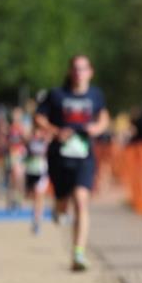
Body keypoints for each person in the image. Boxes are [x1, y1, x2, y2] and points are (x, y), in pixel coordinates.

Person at [34, 55, 110, 270]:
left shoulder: (96, 95)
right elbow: (38, 118)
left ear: (90, 72)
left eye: (83, 68)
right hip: (59, 155)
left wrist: (98, 128)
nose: (79, 72)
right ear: (70, 72)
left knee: (81, 199)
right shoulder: (56, 95)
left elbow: (104, 117)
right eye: (75, 68)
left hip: (84, 155)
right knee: (62, 202)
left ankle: (78, 253)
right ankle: (58, 208)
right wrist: (56, 131)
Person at [6, 107, 28, 210]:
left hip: (21, 154)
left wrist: (23, 135)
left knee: (20, 178)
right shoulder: (10, 128)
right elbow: (8, 142)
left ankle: (20, 199)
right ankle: (11, 200)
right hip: (12, 154)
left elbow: (27, 140)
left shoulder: (23, 128)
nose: (16, 117)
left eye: (18, 115)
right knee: (12, 178)